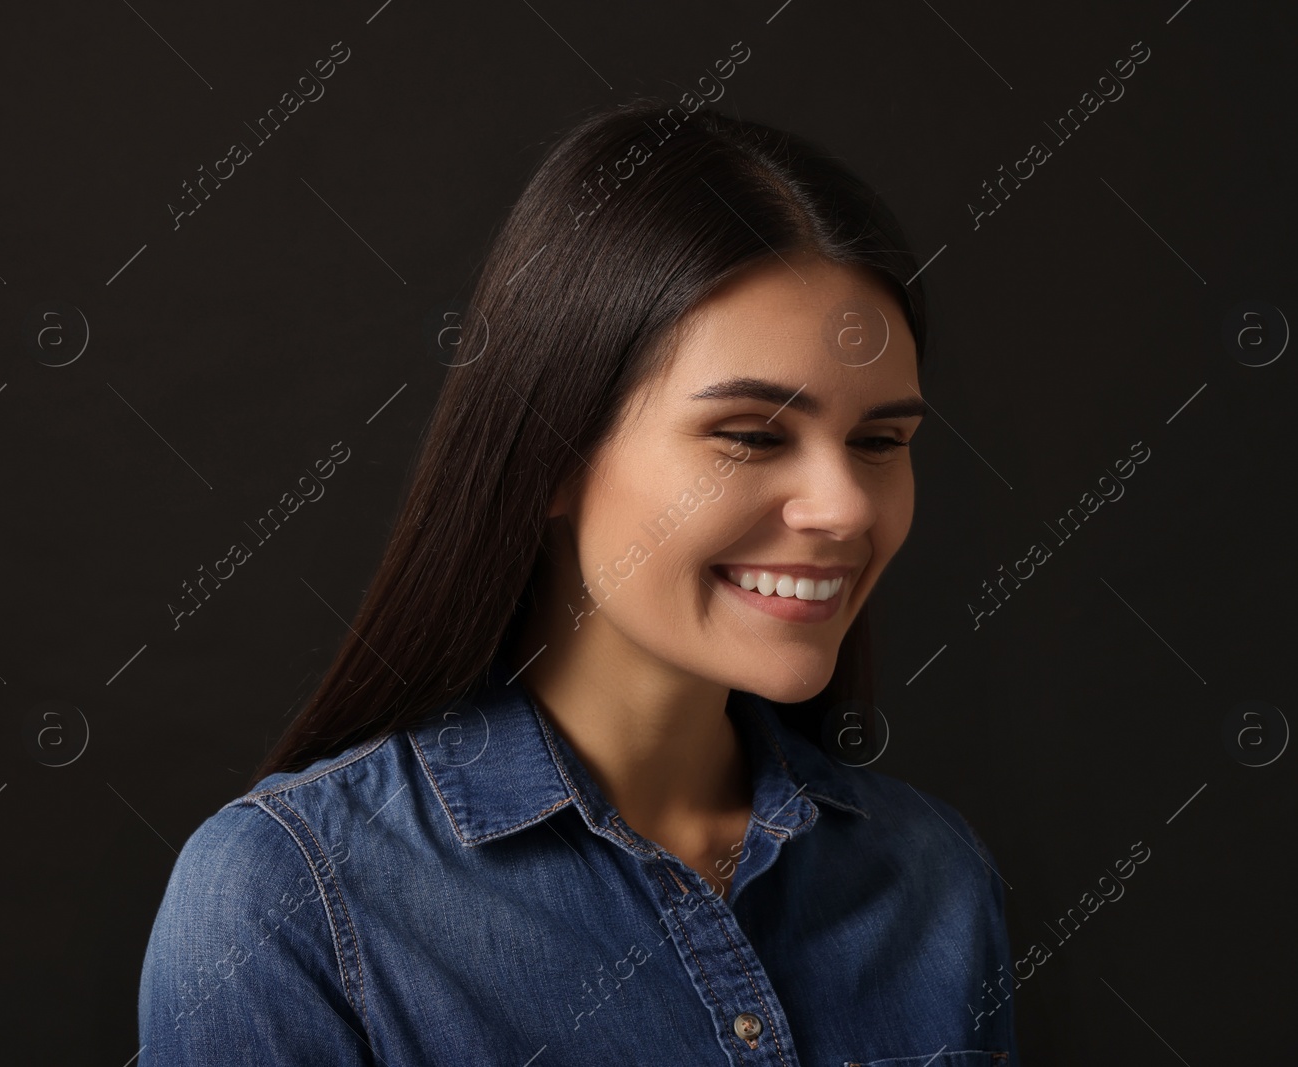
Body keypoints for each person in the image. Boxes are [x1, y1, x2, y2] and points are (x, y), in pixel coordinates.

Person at [138, 94, 1019, 1066]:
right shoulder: (284, 898)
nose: (845, 506)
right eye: (752, 435)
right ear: (552, 451)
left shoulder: (930, 874)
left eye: (880, 440)